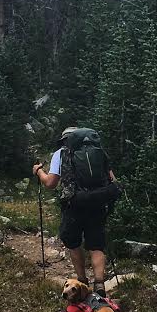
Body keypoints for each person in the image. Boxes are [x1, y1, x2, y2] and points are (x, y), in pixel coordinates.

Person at [33, 126, 119, 296]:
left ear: (65, 139)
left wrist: (38, 171)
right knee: (96, 245)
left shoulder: (61, 153)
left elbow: (50, 183)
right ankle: (100, 284)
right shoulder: (98, 152)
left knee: (73, 242)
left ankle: (82, 280)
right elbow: (113, 180)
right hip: (98, 203)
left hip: (74, 204)